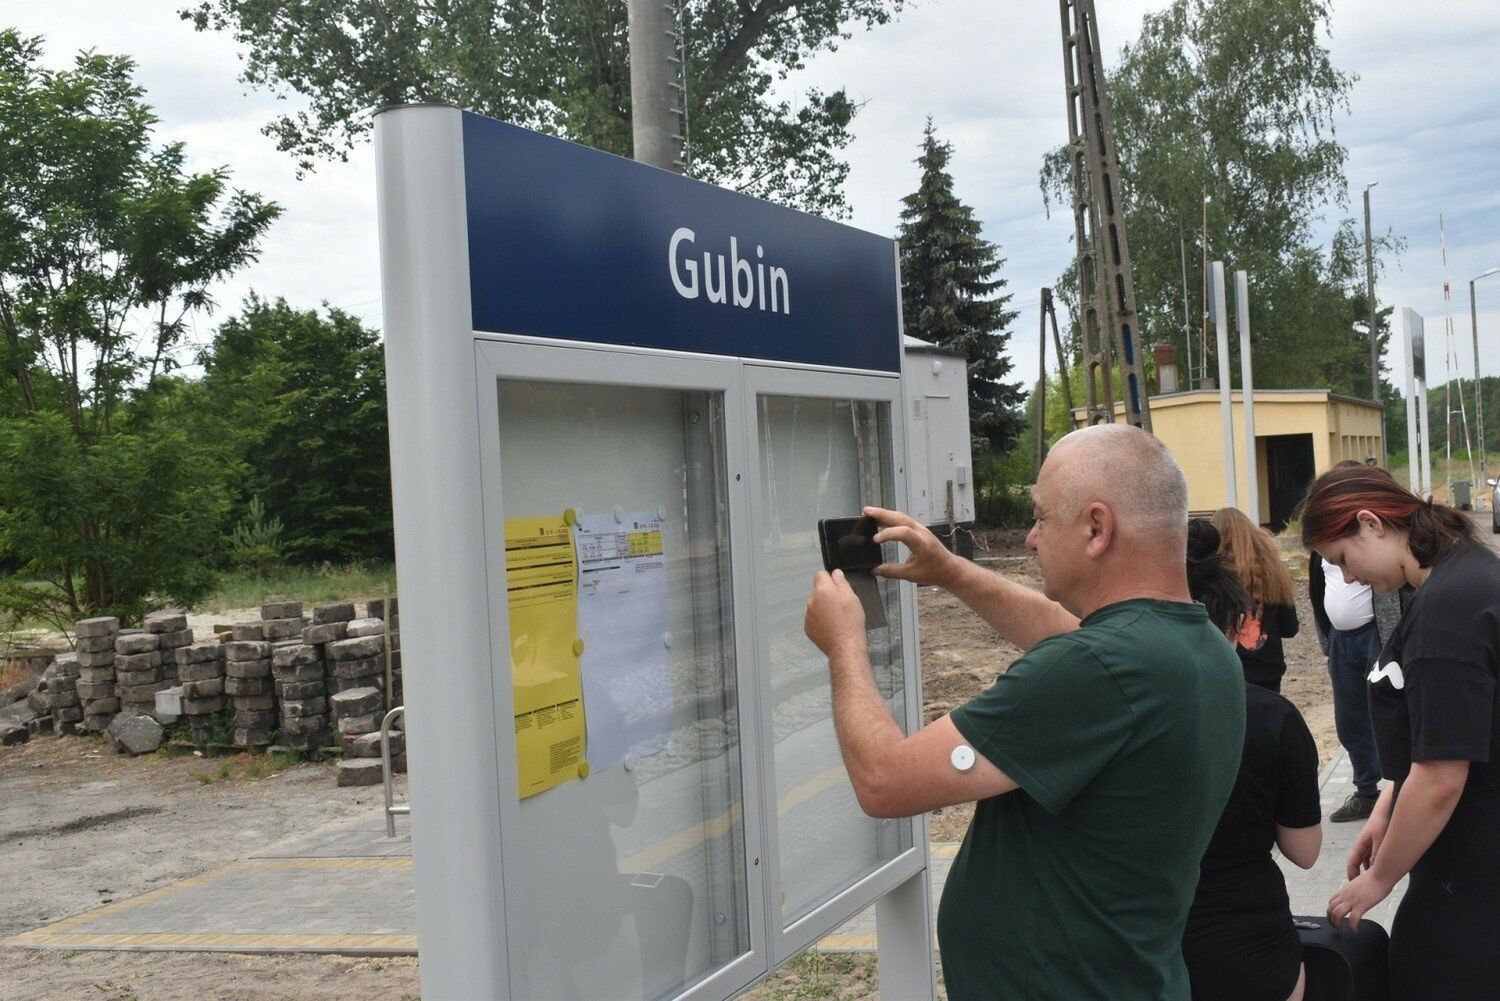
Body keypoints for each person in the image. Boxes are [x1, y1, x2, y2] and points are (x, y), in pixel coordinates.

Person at [803, 424, 1245, 1000]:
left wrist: (844, 646)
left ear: (1096, 528)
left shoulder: (1099, 668)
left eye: (1041, 518)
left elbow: (885, 782)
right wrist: (951, 570)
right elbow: (1069, 636)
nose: (1031, 539)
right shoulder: (1197, 646)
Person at [1302, 464, 1500, 999]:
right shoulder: (1461, 575)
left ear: (1371, 523)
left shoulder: (1447, 612)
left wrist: (1379, 879)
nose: (1345, 577)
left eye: (1341, 560)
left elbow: (1440, 776)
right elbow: (1428, 736)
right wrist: (1388, 806)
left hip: (1475, 874)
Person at [1182, 519, 1323, 1001]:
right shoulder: (1273, 720)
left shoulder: (1111, 707)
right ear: (1232, 623)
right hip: (1248, 946)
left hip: (1138, 946)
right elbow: (1305, 853)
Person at [1308, 531, 1383, 822]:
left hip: (1374, 636)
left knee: (1389, 712)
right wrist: (1327, 641)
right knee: (1349, 720)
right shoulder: (1321, 551)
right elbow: (1317, 593)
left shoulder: (1363, 542)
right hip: (1341, 641)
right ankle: (1367, 792)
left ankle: (1403, 789)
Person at [1214, 506, 1300, 693]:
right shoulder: (1274, 571)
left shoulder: (1217, 576)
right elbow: (1289, 627)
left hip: (1231, 673)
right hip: (1270, 672)